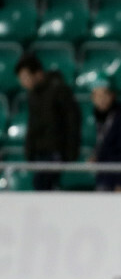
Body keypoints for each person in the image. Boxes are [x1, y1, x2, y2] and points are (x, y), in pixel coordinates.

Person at [14, 52, 81, 190]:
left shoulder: (59, 90)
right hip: (40, 153)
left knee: (44, 186)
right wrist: (30, 151)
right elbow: (32, 125)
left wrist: (69, 152)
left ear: (38, 74)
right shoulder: (33, 95)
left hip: (56, 152)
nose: (23, 82)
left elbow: (72, 121)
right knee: (41, 186)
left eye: (26, 77)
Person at [89, 72, 121, 192]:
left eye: (105, 94)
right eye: (97, 95)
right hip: (103, 177)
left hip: (116, 181)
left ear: (112, 95)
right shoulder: (97, 118)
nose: (101, 100)